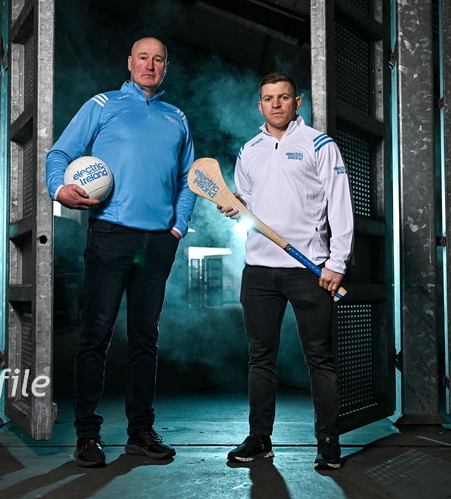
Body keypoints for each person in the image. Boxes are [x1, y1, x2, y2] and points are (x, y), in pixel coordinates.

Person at [45, 37, 196, 468]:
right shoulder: (102, 104)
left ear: (165, 67)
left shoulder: (176, 117)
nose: (150, 65)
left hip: (157, 243)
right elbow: (60, 152)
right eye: (143, 57)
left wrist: (178, 227)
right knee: (96, 336)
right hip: (110, 235)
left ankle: (140, 432)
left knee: (146, 339)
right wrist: (59, 188)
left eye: (158, 59)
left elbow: (190, 177)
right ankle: (88, 436)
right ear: (129, 63)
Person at [218, 72, 354, 470]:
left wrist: (337, 261)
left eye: (283, 97)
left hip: (308, 270)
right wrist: (235, 205)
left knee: (320, 358)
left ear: (298, 103)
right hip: (258, 270)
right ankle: (260, 439)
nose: (275, 104)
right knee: (260, 358)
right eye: (267, 98)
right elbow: (247, 202)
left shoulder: (319, 144)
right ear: (259, 105)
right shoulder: (249, 150)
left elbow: (339, 204)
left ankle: (328, 440)